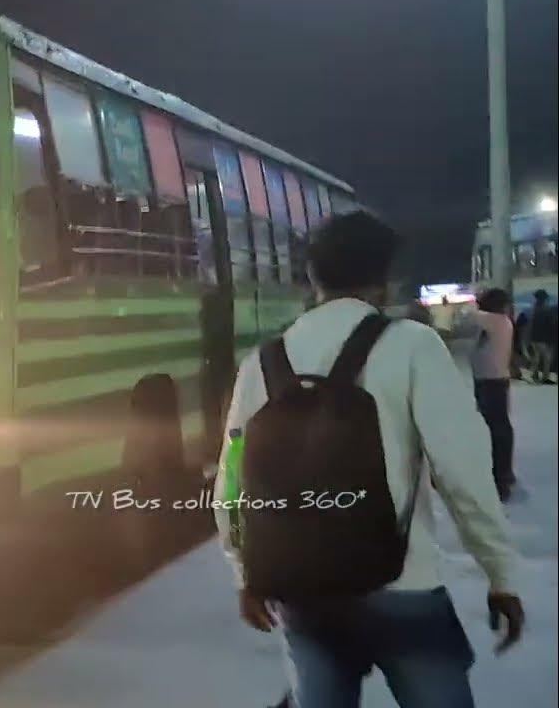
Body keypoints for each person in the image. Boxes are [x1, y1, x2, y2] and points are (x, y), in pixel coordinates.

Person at [215, 212, 523, 707]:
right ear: (386, 279)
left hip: (302, 590)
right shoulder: (412, 346)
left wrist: (246, 573)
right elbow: (463, 472)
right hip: (402, 584)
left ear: (312, 278)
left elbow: (232, 481)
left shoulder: (264, 361)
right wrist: (501, 576)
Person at [472, 288, 517, 500]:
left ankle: (501, 479)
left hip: (490, 382)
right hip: (496, 381)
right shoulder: (501, 321)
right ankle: (505, 474)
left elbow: (467, 313)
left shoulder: (493, 320)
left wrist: (473, 299)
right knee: (500, 428)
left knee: (496, 430)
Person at [525, 290, 557, 384]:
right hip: (542, 338)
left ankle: (533, 375)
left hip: (535, 338)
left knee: (537, 357)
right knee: (546, 358)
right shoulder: (545, 309)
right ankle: (544, 377)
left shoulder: (535, 309)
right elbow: (551, 324)